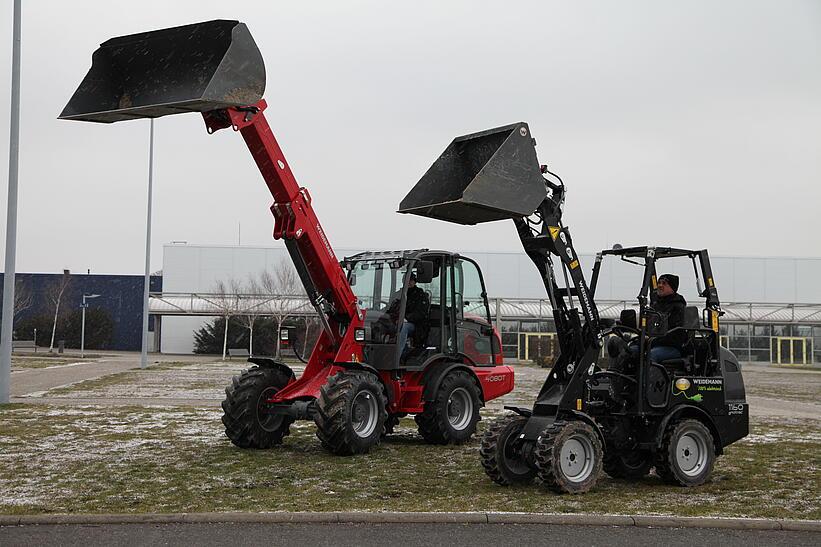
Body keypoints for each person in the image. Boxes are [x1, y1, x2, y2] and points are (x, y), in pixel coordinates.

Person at [648, 273, 688, 363]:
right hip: (653, 344)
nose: (660, 285)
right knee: (630, 350)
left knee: (651, 355)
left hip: (671, 347)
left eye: (664, 283)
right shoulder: (654, 306)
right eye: (659, 283)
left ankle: (649, 376)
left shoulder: (678, 307)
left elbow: (675, 336)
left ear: (672, 288)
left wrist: (652, 339)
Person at [397, 273, 429, 358]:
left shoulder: (420, 295)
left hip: (415, 324)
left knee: (403, 327)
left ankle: (397, 355)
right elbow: (392, 306)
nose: (408, 282)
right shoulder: (399, 294)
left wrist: (407, 318)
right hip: (398, 320)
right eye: (406, 280)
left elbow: (421, 313)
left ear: (414, 282)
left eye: (411, 280)